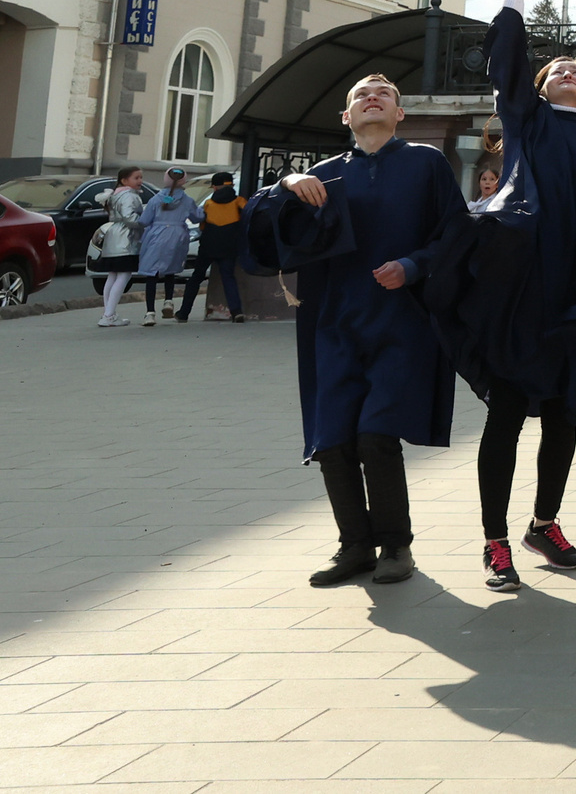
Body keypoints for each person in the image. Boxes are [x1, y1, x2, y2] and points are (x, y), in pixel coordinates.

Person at [243, 75, 464, 587]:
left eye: (384, 95)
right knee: (333, 438)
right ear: (346, 117)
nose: (372, 98)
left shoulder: (425, 164)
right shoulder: (320, 175)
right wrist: (285, 185)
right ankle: (355, 547)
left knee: (376, 434)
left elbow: (456, 231)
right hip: (331, 322)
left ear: (399, 114)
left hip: (399, 321)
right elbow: (257, 228)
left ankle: (396, 547)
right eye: (361, 96)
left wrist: (413, 264)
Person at [452, 0, 576, 593]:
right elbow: (509, 59)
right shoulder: (532, 121)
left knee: (564, 413)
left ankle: (544, 522)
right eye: (558, 70)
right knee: (509, 411)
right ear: (542, 88)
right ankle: (494, 540)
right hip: (524, 283)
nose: (569, 71)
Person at [135, 168, 202, 327]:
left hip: (156, 234)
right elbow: (197, 216)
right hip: (178, 235)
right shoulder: (187, 200)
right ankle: (168, 301)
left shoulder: (155, 200)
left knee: (152, 272)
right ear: (184, 181)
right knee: (170, 269)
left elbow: (144, 220)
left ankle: (150, 313)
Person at [178, 172, 246, 322]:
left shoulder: (209, 204)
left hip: (208, 246)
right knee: (228, 278)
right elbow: (247, 219)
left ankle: (183, 313)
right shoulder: (239, 202)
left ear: (214, 188)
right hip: (229, 246)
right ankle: (236, 311)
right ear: (232, 185)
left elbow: (202, 225)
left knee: (196, 277)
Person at [92, 167, 147, 327]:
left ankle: (108, 313)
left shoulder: (114, 195)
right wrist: (145, 220)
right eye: (136, 178)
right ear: (124, 180)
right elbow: (130, 218)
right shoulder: (129, 195)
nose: (140, 181)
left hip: (113, 236)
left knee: (113, 275)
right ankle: (109, 315)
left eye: (141, 177)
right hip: (126, 238)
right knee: (124, 275)